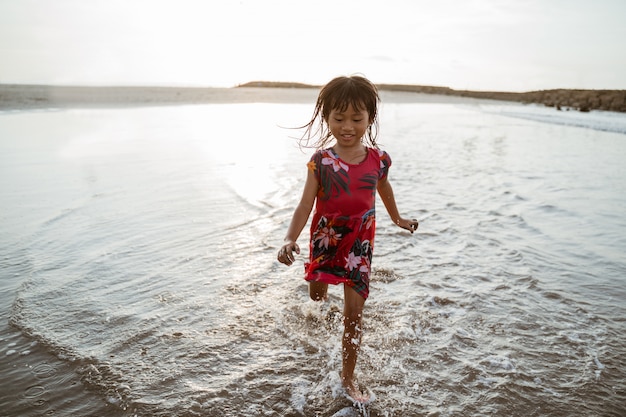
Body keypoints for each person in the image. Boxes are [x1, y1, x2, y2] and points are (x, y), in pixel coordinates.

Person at [276, 75, 418, 403]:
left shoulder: (378, 160)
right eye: (339, 118)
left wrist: (398, 218)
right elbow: (304, 204)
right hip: (326, 240)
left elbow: (383, 188)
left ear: (370, 118)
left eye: (357, 118)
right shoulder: (321, 162)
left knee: (354, 316)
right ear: (327, 119)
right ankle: (320, 290)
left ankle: (347, 378)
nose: (348, 126)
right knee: (316, 297)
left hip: (360, 245)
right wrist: (288, 238)